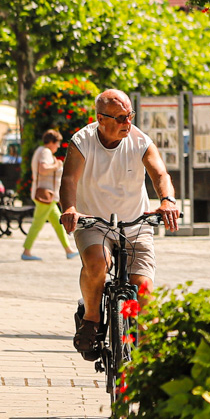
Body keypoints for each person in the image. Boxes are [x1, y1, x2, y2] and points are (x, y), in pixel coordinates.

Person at [60, 90, 180, 359]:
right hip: (94, 222)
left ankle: (147, 360)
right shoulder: (82, 141)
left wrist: (167, 200)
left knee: (144, 288)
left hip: (135, 223)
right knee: (97, 263)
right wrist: (69, 208)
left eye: (130, 116)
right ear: (101, 119)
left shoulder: (140, 140)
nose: (128, 122)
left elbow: (159, 172)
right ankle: (91, 319)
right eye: (121, 118)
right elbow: (69, 179)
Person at [21, 129, 75, 261]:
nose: (58, 146)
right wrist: (56, 165)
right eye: (57, 143)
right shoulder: (45, 152)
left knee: (57, 223)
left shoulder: (42, 151)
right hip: (45, 195)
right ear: (51, 142)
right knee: (38, 223)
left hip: (47, 196)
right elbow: (43, 169)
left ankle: (69, 250)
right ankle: (26, 251)